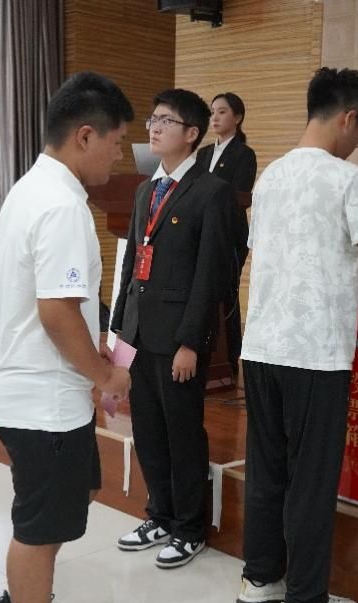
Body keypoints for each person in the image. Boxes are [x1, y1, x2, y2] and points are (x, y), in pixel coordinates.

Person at [235, 67, 358, 603]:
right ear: (348, 118)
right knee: (312, 479)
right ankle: (307, 600)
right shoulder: (348, 179)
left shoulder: (270, 176)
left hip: (261, 346)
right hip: (316, 353)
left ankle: (260, 579)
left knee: (267, 468)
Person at [0, 72, 133, 603]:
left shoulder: (31, 189)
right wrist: (106, 376)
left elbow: (53, 303)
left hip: (34, 390)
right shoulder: (64, 205)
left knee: (70, 497)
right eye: (117, 142)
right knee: (41, 527)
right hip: (42, 398)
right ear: (85, 135)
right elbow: (56, 313)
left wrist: (89, 353)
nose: (120, 156)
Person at [111, 89, 234, 569]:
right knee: (147, 430)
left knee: (182, 433)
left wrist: (191, 342)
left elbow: (210, 274)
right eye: (153, 119)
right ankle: (159, 515)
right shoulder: (147, 190)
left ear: (192, 133)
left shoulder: (211, 192)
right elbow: (131, 265)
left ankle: (189, 527)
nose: (155, 128)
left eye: (167, 120)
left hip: (179, 337)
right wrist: (119, 331)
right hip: (140, 334)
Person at [196, 92, 257, 376]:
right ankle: (203, 355)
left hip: (229, 233)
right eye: (213, 112)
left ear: (238, 117)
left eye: (222, 112)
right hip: (201, 231)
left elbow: (239, 194)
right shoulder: (204, 153)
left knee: (226, 293)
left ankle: (230, 360)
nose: (215, 118)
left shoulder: (244, 154)